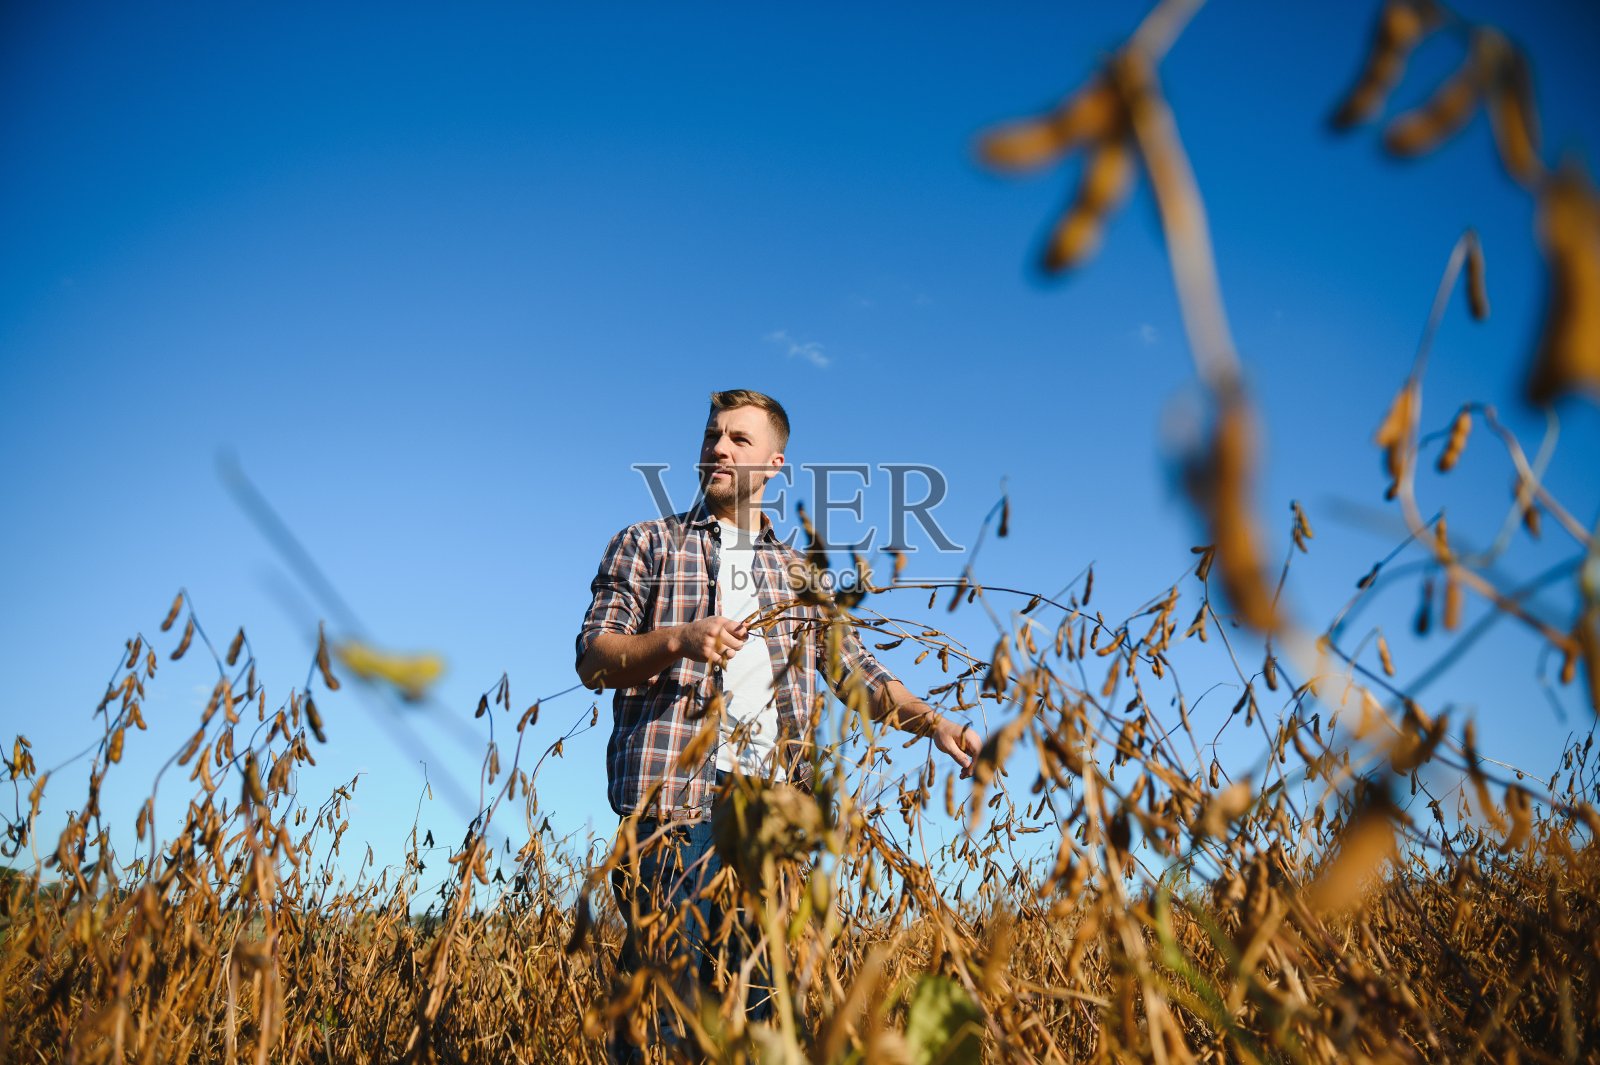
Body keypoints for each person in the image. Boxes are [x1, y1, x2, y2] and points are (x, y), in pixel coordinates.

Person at [574, 388, 982, 1061]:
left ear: (775, 463)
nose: (719, 449)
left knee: (765, 1003)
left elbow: (859, 675)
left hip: (772, 810)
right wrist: (679, 638)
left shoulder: (799, 573)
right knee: (665, 1001)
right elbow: (594, 657)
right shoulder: (648, 543)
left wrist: (935, 721)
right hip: (676, 803)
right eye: (712, 436)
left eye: (739, 439)